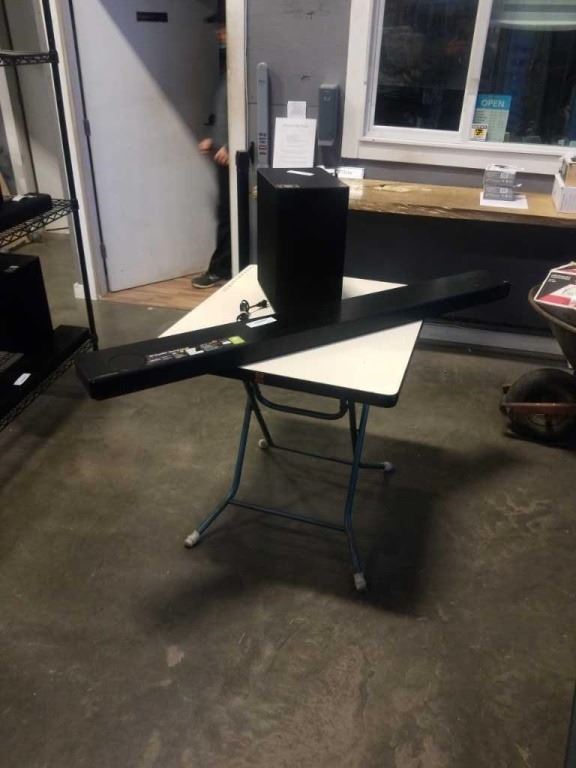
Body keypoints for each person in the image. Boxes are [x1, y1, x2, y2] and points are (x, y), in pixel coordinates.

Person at [192, 4, 231, 289]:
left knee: (228, 215)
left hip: (232, 156)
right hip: (221, 152)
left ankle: (221, 269)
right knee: (224, 213)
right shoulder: (228, 64)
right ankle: (225, 266)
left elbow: (246, 112)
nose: (219, 32)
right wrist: (213, 136)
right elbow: (225, 109)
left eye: (223, 27)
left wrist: (230, 144)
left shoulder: (242, 63)